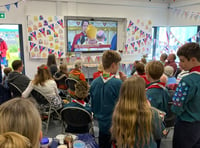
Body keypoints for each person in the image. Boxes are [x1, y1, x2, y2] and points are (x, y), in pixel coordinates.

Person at [111, 76, 164, 148]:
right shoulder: (152, 113)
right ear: (142, 93)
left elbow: (114, 134)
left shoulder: (118, 112)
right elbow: (159, 134)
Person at [90, 50, 125, 148]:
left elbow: (92, 105)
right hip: (115, 126)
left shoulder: (94, 83)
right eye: (118, 65)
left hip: (100, 124)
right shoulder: (118, 84)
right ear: (113, 65)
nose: (118, 67)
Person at [171, 42, 200, 148]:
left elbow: (176, 105)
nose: (180, 64)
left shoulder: (187, 81)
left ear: (193, 60)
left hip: (186, 124)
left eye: (182, 60)